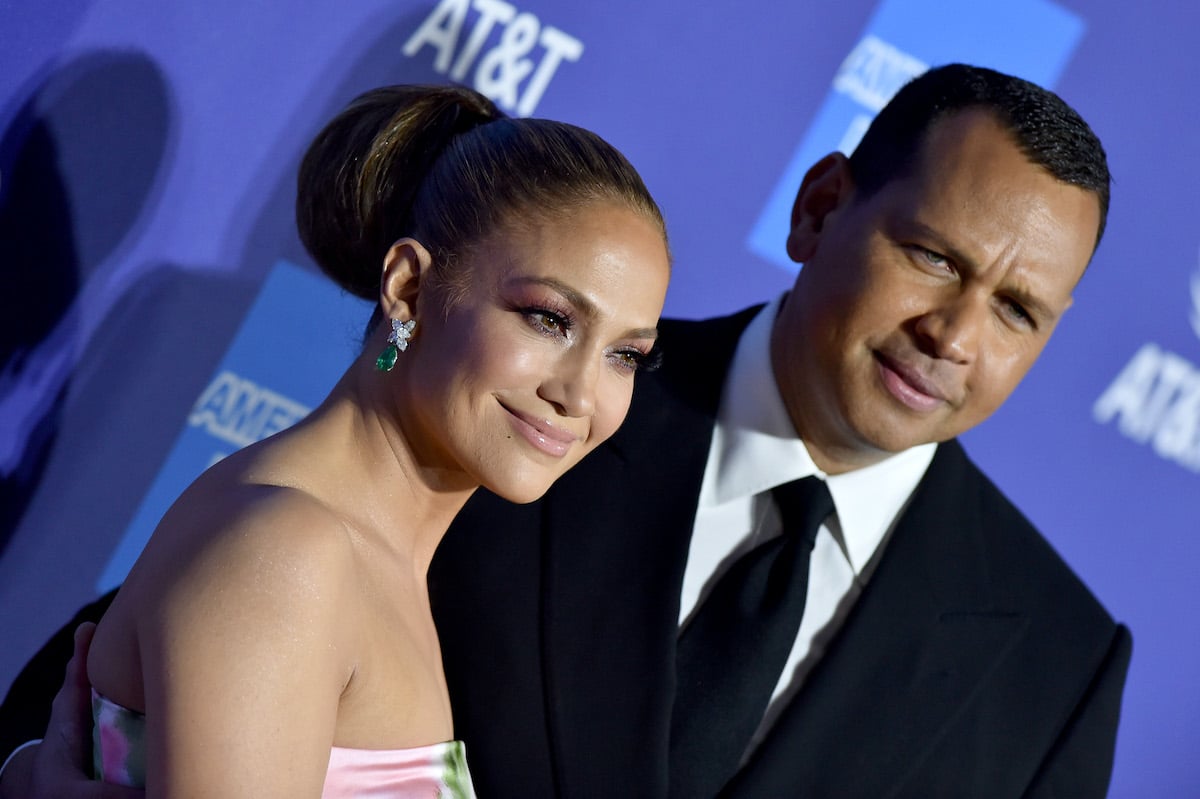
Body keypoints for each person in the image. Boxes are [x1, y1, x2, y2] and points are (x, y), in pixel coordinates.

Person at [1, 63, 1131, 798]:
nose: (956, 334)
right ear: (823, 208)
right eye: (935, 257)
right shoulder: (488, 427)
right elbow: (128, 681)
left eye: (1020, 309)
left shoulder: (1059, 662)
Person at [0, 83, 671, 797]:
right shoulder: (290, 552)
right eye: (548, 319)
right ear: (409, 288)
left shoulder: (366, 554)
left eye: (625, 354)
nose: (580, 394)